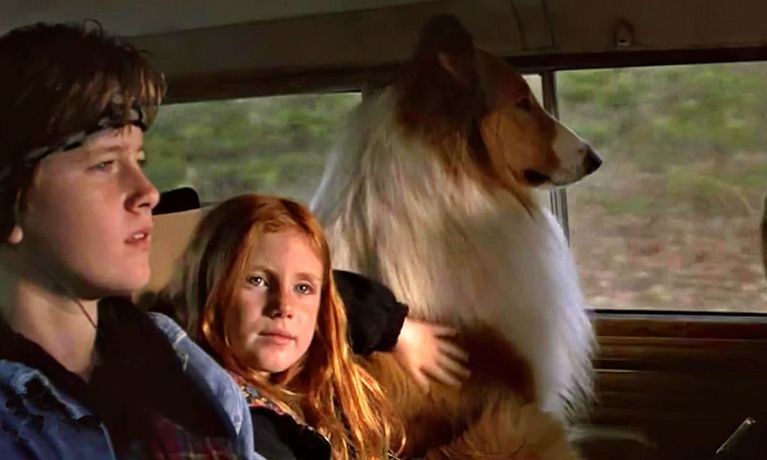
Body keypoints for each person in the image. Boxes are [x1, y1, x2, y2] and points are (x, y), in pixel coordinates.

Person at [0, 22, 254, 459]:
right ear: (11, 202)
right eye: (104, 164)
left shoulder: (178, 357)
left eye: (139, 160)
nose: (148, 193)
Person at [161, 194, 469, 459]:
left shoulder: (308, 328)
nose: (284, 307)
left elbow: (337, 297)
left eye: (303, 288)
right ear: (209, 288)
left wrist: (398, 328)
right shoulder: (245, 430)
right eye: (257, 280)